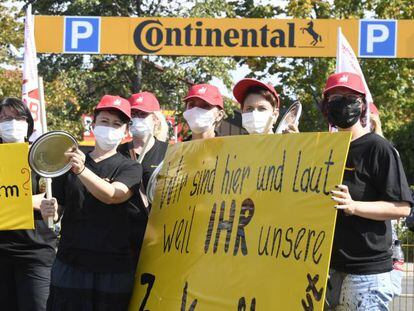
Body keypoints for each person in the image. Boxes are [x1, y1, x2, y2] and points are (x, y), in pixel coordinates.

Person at [40, 95, 143, 310]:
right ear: (93, 124)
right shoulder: (69, 162)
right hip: (71, 265)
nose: (109, 128)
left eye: (117, 124)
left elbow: (113, 195)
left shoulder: (130, 167)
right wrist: (49, 210)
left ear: (125, 132)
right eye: (104, 121)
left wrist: (82, 170)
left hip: (113, 269)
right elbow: (58, 208)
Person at [321, 72, 413, 310]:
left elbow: (402, 207)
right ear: (325, 105)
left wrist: (355, 206)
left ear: (362, 105)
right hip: (327, 269)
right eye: (335, 97)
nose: (342, 102)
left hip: (367, 273)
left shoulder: (378, 148)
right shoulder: (321, 148)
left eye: (349, 97)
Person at [0, 97, 57, 311]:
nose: (11, 122)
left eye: (18, 117)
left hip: (36, 252)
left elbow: (53, 200)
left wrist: (49, 208)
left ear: (28, 123)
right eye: (4, 118)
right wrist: (29, 202)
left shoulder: (43, 158)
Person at [118, 91, 168, 264]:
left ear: (155, 119)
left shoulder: (169, 152)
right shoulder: (118, 151)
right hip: (122, 239)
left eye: (143, 114)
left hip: (157, 238)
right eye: (133, 114)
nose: (137, 118)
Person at [233, 78, 298, 134]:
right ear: (242, 113)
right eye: (249, 108)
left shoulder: (286, 144)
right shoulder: (234, 146)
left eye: (262, 108)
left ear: (275, 115)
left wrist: (298, 143)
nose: (254, 113)